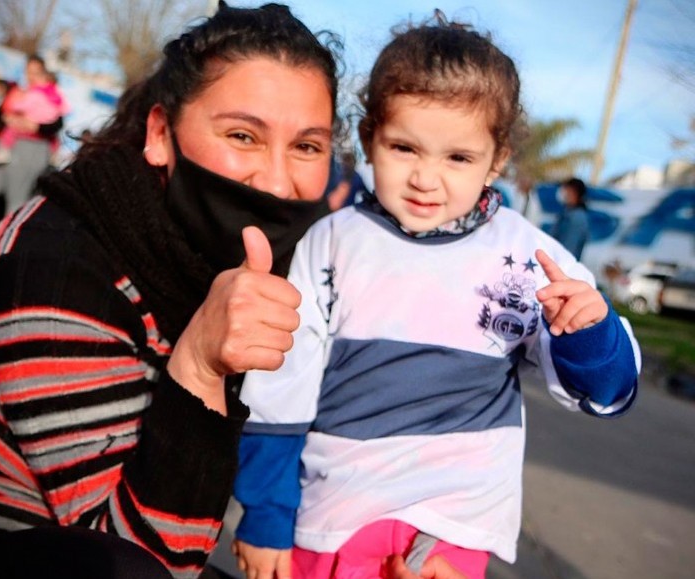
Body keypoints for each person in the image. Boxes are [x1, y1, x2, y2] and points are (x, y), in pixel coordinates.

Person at [0, 3, 341, 579]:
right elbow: (143, 563)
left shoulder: (227, 258)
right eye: (242, 136)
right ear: (161, 134)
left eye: (307, 146)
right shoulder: (56, 268)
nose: (278, 182)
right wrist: (201, 369)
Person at [232, 16, 640, 579]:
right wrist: (266, 514)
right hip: (334, 518)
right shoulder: (330, 243)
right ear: (370, 137)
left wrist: (590, 335)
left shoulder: (530, 259)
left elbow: (607, 392)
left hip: (453, 535)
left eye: (458, 158)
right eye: (404, 147)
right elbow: (282, 386)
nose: (426, 178)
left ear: (497, 160)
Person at [0, 55, 64, 243]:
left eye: (36, 72)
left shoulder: (50, 95)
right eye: (28, 71)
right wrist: (7, 118)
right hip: (6, 145)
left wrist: (31, 125)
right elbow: (2, 113)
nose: (31, 76)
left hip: (31, 147)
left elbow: (56, 123)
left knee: (16, 200)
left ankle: (4, 249)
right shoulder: (20, 92)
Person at [0, 65, 69, 165]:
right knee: (55, 141)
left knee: (11, 131)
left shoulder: (36, 93)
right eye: (29, 72)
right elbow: (65, 108)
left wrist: (15, 108)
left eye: (35, 74)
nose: (31, 77)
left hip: (31, 129)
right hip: (38, 129)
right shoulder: (57, 95)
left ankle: (4, 152)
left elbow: (23, 105)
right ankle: (55, 156)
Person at [551, 176, 589, 260]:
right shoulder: (566, 213)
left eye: (566, 189)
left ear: (574, 193)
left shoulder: (577, 218)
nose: (562, 192)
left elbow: (568, 251)